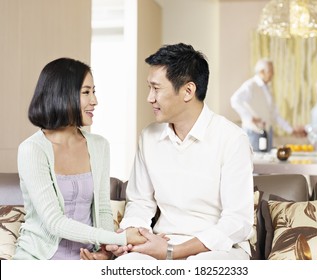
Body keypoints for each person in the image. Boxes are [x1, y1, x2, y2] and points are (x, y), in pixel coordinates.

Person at [105, 43, 254, 260]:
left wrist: (173, 253)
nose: (150, 98)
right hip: (162, 241)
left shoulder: (232, 139)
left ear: (188, 91)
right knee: (125, 267)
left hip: (220, 250)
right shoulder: (149, 137)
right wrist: (129, 238)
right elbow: (140, 203)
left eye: (156, 88)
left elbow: (236, 222)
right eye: (150, 88)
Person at [13, 58, 146, 260]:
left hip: (86, 258)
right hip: (37, 259)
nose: (94, 100)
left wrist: (105, 251)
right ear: (61, 94)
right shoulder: (32, 150)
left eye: (94, 91)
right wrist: (119, 238)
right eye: (86, 92)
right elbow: (54, 222)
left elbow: (102, 208)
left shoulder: (100, 145)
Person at [230, 58, 298, 152]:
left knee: (267, 163)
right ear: (262, 72)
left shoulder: (268, 89)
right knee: (253, 163)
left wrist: (290, 130)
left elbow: (275, 114)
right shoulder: (250, 85)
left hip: (267, 132)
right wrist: (249, 117)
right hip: (253, 132)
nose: (273, 74)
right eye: (270, 71)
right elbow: (234, 100)